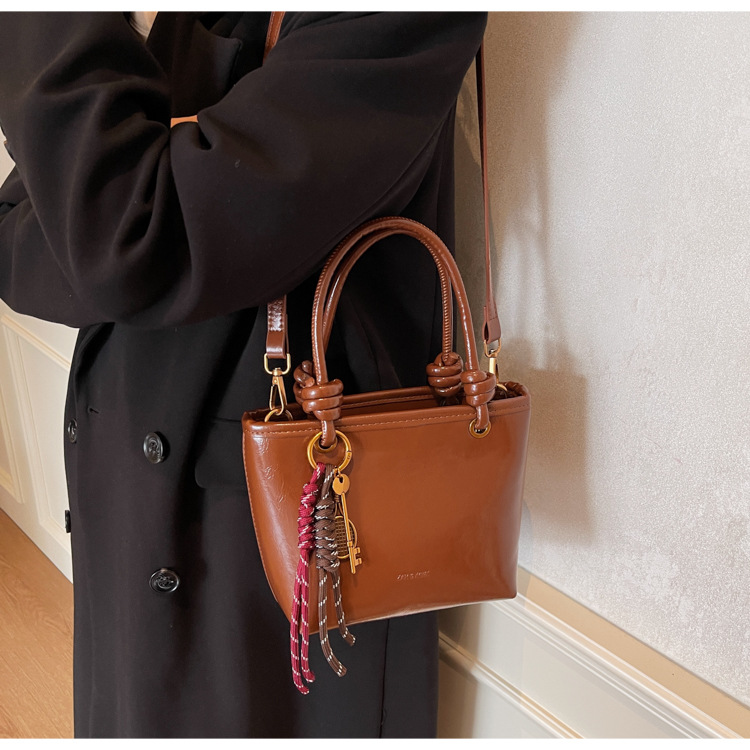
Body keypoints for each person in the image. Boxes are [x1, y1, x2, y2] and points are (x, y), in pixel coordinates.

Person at [0, 11, 487, 738]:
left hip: (281, 539)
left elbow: (123, 234)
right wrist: (142, 218)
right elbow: (29, 230)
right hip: (133, 486)